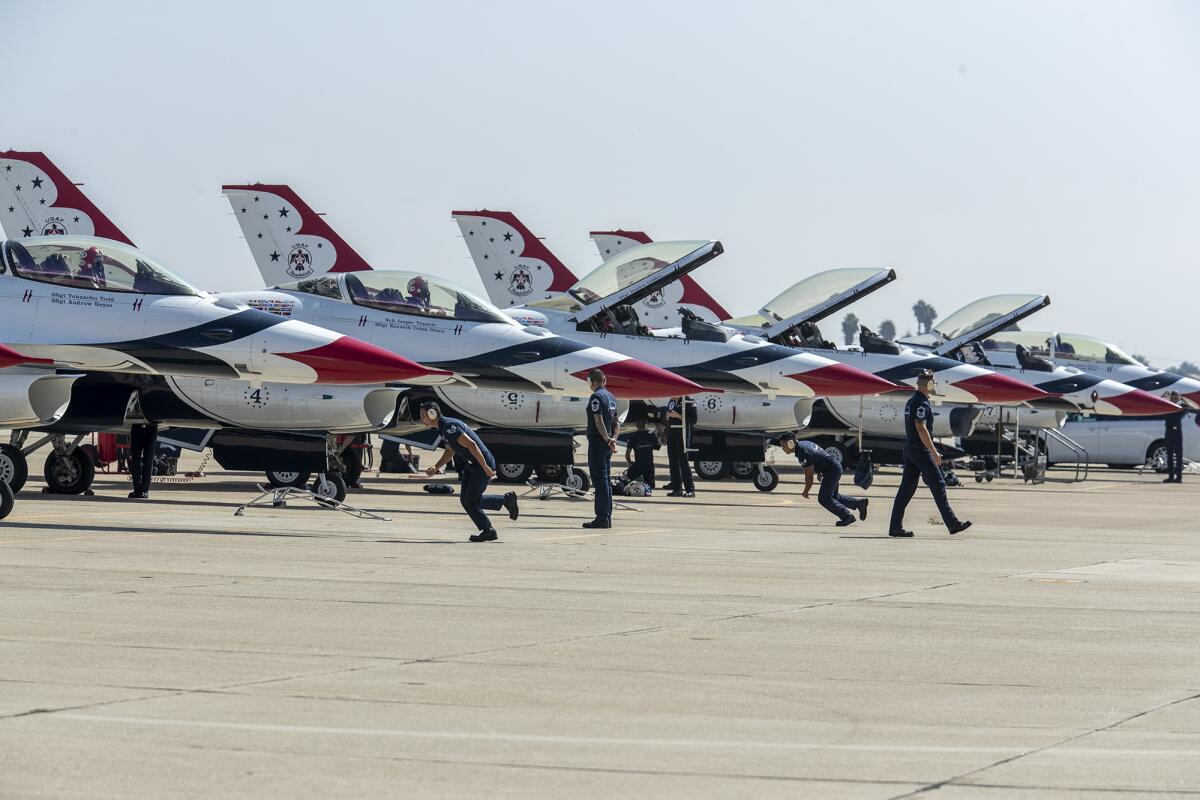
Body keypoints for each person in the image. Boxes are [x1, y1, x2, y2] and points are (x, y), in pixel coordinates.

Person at [888, 370, 972, 537]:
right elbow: (921, 427)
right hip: (920, 450)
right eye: (932, 383)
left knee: (906, 489)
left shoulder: (912, 401)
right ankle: (952, 523)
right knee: (938, 483)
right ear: (929, 385)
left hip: (910, 448)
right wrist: (933, 451)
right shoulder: (922, 404)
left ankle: (895, 527)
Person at [420, 401, 518, 542]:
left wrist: (485, 467)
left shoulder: (449, 426)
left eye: (423, 415)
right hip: (472, 465)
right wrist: (436, 467)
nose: (421, 419)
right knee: (465, 500)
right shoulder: (442, 428)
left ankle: (506, 500)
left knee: (471, 500)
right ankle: (487, 530)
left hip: (481, 464)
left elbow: (471, 444)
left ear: (432, 414)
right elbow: (450, 450)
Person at [780, 434, 867, 526]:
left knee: (824, 498)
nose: (782, 448)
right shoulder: (804, 444)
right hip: (833, 467)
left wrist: (806, 491)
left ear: (790, 443)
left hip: (831, 471)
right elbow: (818, 456)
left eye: (783, 445)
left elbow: (809, 477)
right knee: (834, 496)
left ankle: (847, 516)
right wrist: (819, 471)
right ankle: (859, 503)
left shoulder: (802, 452)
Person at [583, 368, 618, 529]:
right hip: (606, 444)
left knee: (600, 480)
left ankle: (602, 517)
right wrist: (613, 439)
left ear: (592, 381)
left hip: (598, 442)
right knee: (606, 480)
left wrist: (605, 438)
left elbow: (598, 420)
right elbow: (616, 422)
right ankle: (607, 516)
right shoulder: (611, 397)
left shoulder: (596, 397)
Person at [664, 395, 696, 497]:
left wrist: (678, 416)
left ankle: (690, 489)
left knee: (683, 462)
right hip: (672, 433)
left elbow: (693, 419)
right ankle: (677, 488)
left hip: (682, 434)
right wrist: (668, 417)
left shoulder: (688, 401)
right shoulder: (671, 402)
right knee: (673, 462)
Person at [624, 419, 660, 489]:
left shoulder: (633, 437)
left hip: (638, 465)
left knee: (628, 477)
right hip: (649, 466)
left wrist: (630, 462)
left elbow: (627, 454)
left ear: (637, 426)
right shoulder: (651, 436)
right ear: (646, 426)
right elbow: (657, 447)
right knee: (651, 486)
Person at [127, 422, 158, 499]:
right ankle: (136, 489)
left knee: (148, 461)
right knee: (135, 461)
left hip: (151, 428)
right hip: (137, 427)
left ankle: (144, 490)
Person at [1164, 392, 1185, 484]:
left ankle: (1179, 477)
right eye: (1172, 397)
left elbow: (1189, 406)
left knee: (1178, 455)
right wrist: (1164, 397)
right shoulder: (1167, 406)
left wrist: (1182, 399)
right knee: (1169, 455)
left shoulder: (1180, 407)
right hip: (1168, 432)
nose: (1174, 398)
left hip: (1177, 432)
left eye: (1176, 397)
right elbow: (1160, 404)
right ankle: (1171, 476)